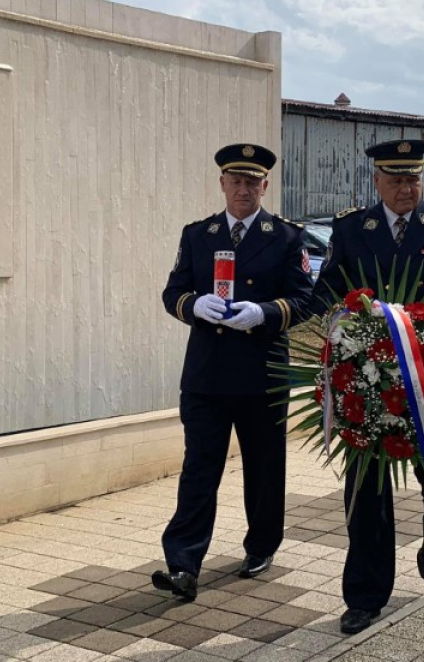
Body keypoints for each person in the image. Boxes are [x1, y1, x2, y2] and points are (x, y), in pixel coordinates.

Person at [310, 139, 424, 635]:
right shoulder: (352, 228)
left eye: (414, 179)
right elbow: (327, 290)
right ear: (377, 182)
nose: (407, 188)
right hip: (366, 376)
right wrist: (345, 327)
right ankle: (365, 596)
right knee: (366, 488)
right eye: (396, 180)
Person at [152, 143, 313, 603]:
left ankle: (261, 545)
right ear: (222, 184)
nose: (244, 190)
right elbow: (173, 292)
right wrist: (192, 305)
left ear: (265, 186)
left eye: (252, 182)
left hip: (263, 373)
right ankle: (183, 565)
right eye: (236, 181)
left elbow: (305, 299)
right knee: (199, 469)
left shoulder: (286, 237)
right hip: (207, 374)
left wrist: (264, 312)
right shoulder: (197, 234)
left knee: (264, 467)